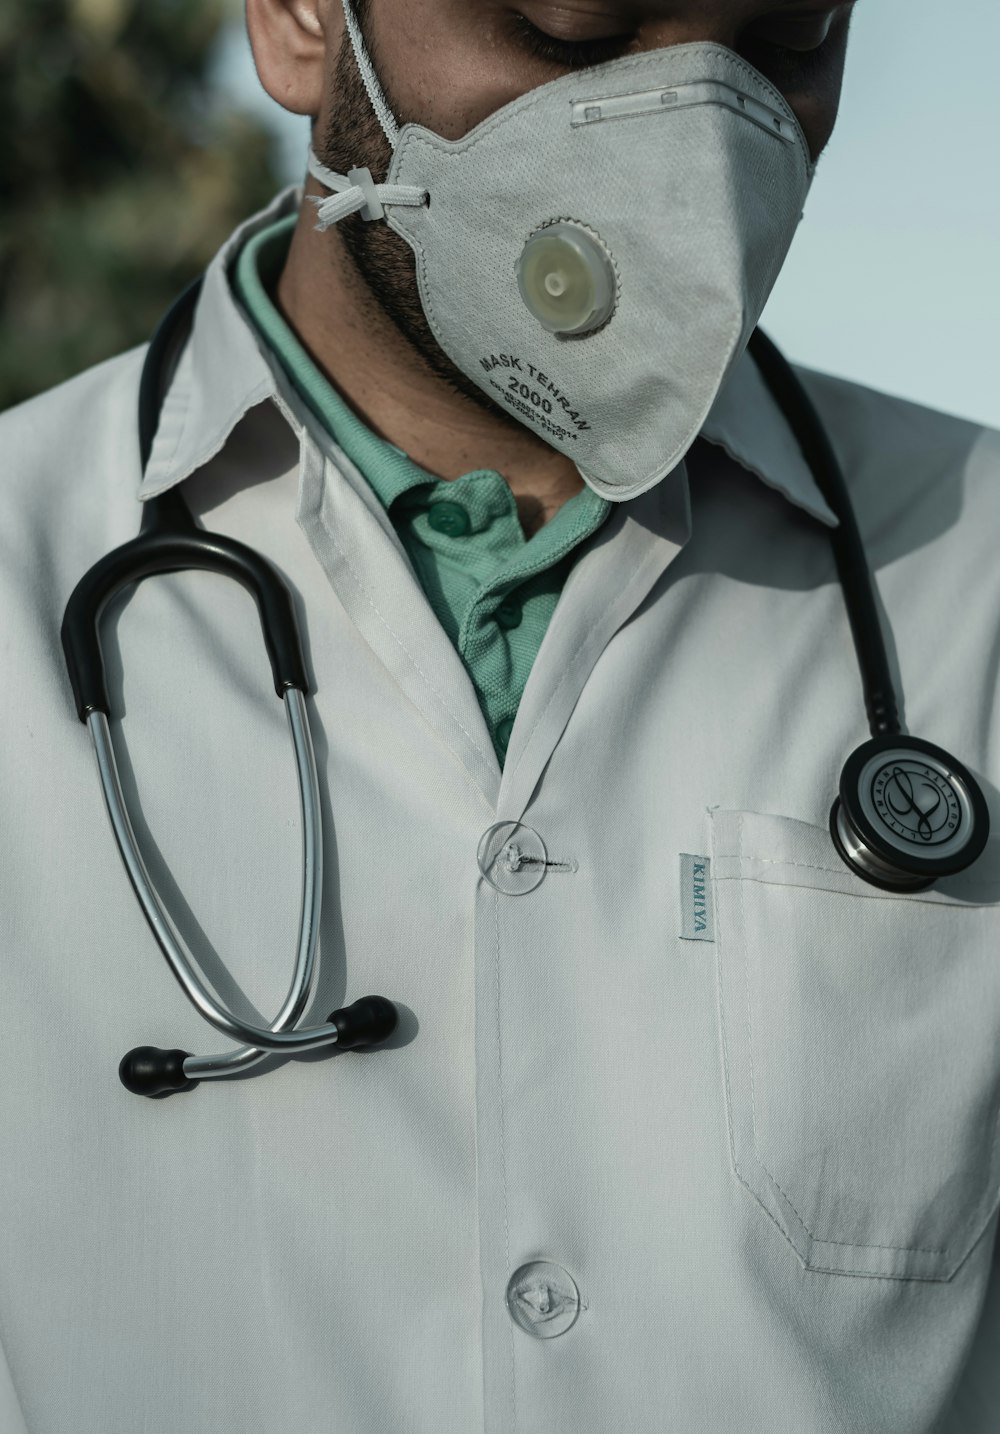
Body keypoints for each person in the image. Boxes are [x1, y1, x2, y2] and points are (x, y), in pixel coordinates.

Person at [0, 1, 998, 1430]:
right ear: (295, 22)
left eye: (782, 39)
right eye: (573, 26)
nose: (693, 139)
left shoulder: (976, 579)